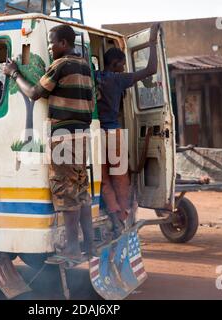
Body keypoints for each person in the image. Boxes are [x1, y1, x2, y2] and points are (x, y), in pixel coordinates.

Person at [2, 24, 96, 263]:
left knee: (65, 190)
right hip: (82, 135)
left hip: (63, 135)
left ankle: (72, 248)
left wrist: (14, 73)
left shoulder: (61, 65)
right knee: (81, 189)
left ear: (64, 43)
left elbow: (34, 93)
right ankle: (89, 244)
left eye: (53, 43)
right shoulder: (84, 65)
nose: (51, 48)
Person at [96, 23, 160, 238]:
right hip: (113, 133)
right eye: (122, 64)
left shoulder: (94, 76)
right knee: (121, 178)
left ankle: (114, 218)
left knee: (104, 180)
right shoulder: (118, 79)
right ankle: (123, 218)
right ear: (115, 64)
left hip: (96, 134)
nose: (124, 68)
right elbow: (151, 70)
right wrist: (152, 42)